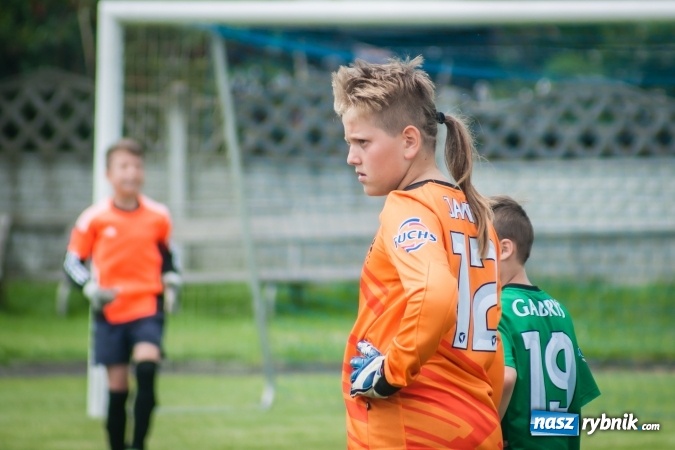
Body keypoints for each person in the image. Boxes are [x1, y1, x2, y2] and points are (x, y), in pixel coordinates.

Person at [332, 56, 504, 449]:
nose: (351, 157)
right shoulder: (476, 214)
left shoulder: (407, 207)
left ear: (409, 141)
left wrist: (390, 373)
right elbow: (493, 341)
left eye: (363, 142)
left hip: (413, 426)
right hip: (477, 424)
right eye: (349, 143)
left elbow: (435, 294)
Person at [63, 138, 181, 450]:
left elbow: (169, 257)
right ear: (108, 174)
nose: (131, 173)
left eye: (137, 166)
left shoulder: (158, 215)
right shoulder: (94, 218)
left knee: (146, 367)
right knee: (118, 388)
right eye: (124, 166)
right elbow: (72, 262)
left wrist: (172, 281)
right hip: (111, 311)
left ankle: (139, 444)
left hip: (147, 307)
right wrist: (91, 288)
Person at [491, 195, 600, 449]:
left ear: (504, 249)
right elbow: (574, 396)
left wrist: (487, 434)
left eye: (478, 245)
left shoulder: (498, 308)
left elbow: (506, 379)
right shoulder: (560, 311)